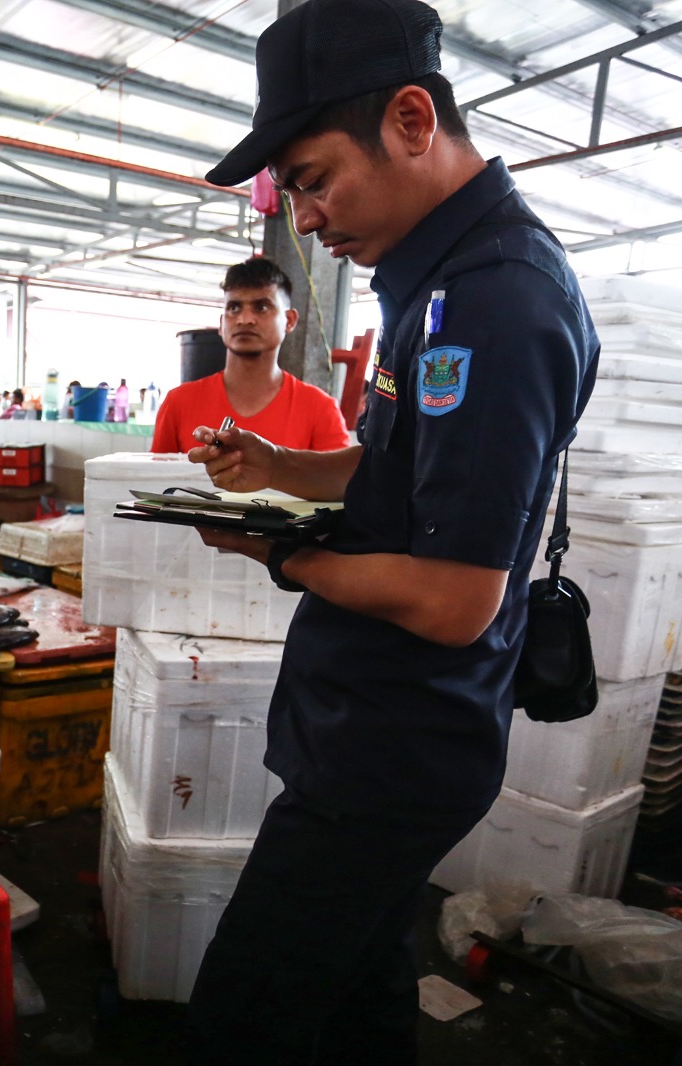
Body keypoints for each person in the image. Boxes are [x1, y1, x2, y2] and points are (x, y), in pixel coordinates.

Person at [182, 2, 599, 1063]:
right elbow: (402, 470)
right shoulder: (439, 285)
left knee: (247, 1011)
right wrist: (276, 468)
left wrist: (283, 551)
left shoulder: (495, 302)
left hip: (391, 754)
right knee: (359, 996)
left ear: (412, 120)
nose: (306, 218)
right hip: (370, 724)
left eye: (316, 178)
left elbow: (457, 600)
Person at [151, 257, 353, 454]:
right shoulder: (178, 403)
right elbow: (154, 482)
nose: (245, 319)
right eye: (234, 308)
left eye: (262, 307)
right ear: (222, 323)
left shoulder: (319, 409)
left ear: (289, 320)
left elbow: (339, 484)